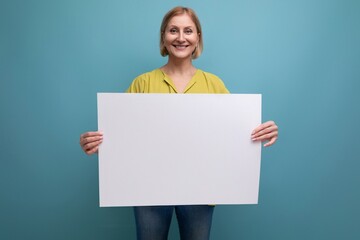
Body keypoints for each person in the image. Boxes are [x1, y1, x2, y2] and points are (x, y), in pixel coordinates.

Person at [79, 6, 278, 240]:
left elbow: (233, 135)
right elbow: (121, 134)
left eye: (188, 31)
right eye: (173, 30)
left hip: (201, 187)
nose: (181, 37)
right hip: (148, 187)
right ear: (164, 36)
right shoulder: (142, 83)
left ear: (198, 38)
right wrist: (94, 142)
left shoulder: (214, 85)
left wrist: (264, 130)